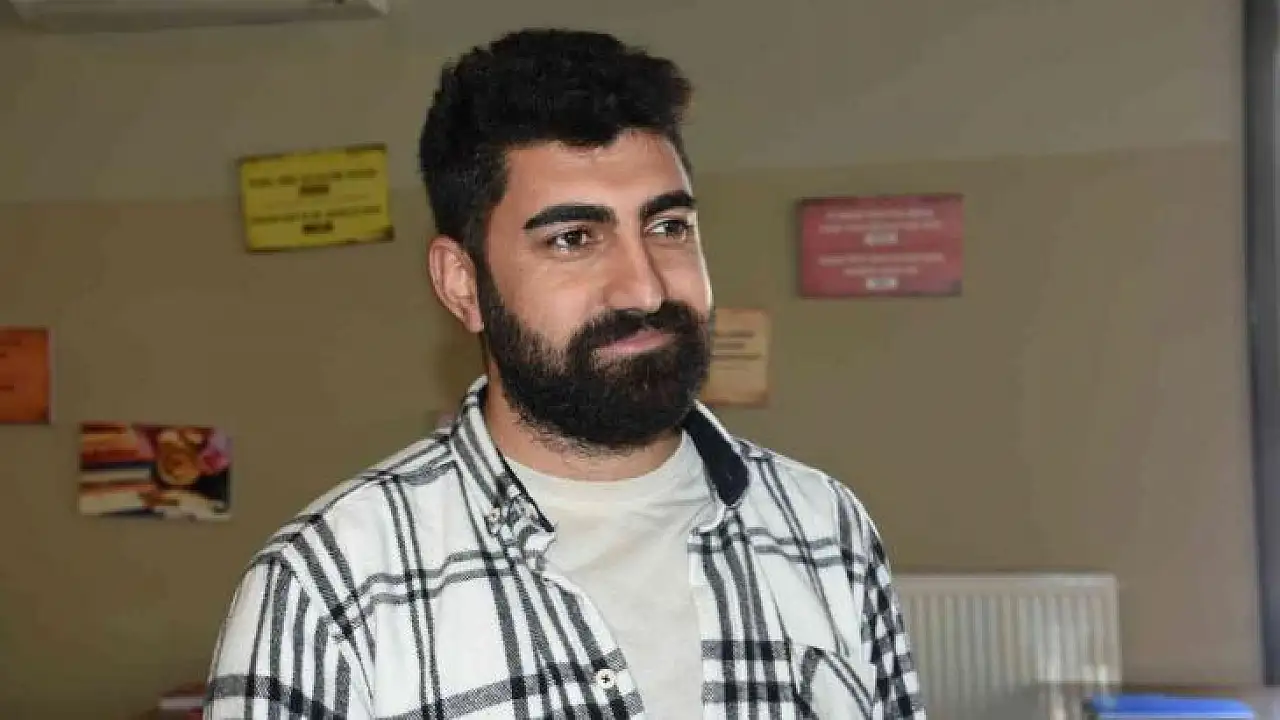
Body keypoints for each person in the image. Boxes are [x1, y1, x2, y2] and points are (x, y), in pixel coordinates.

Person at [204, 27, 925, 720]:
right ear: (462, 283)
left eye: (669, 227)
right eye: (574, 239)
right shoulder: (328, 586)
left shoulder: (824, 525)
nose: (644, 289)